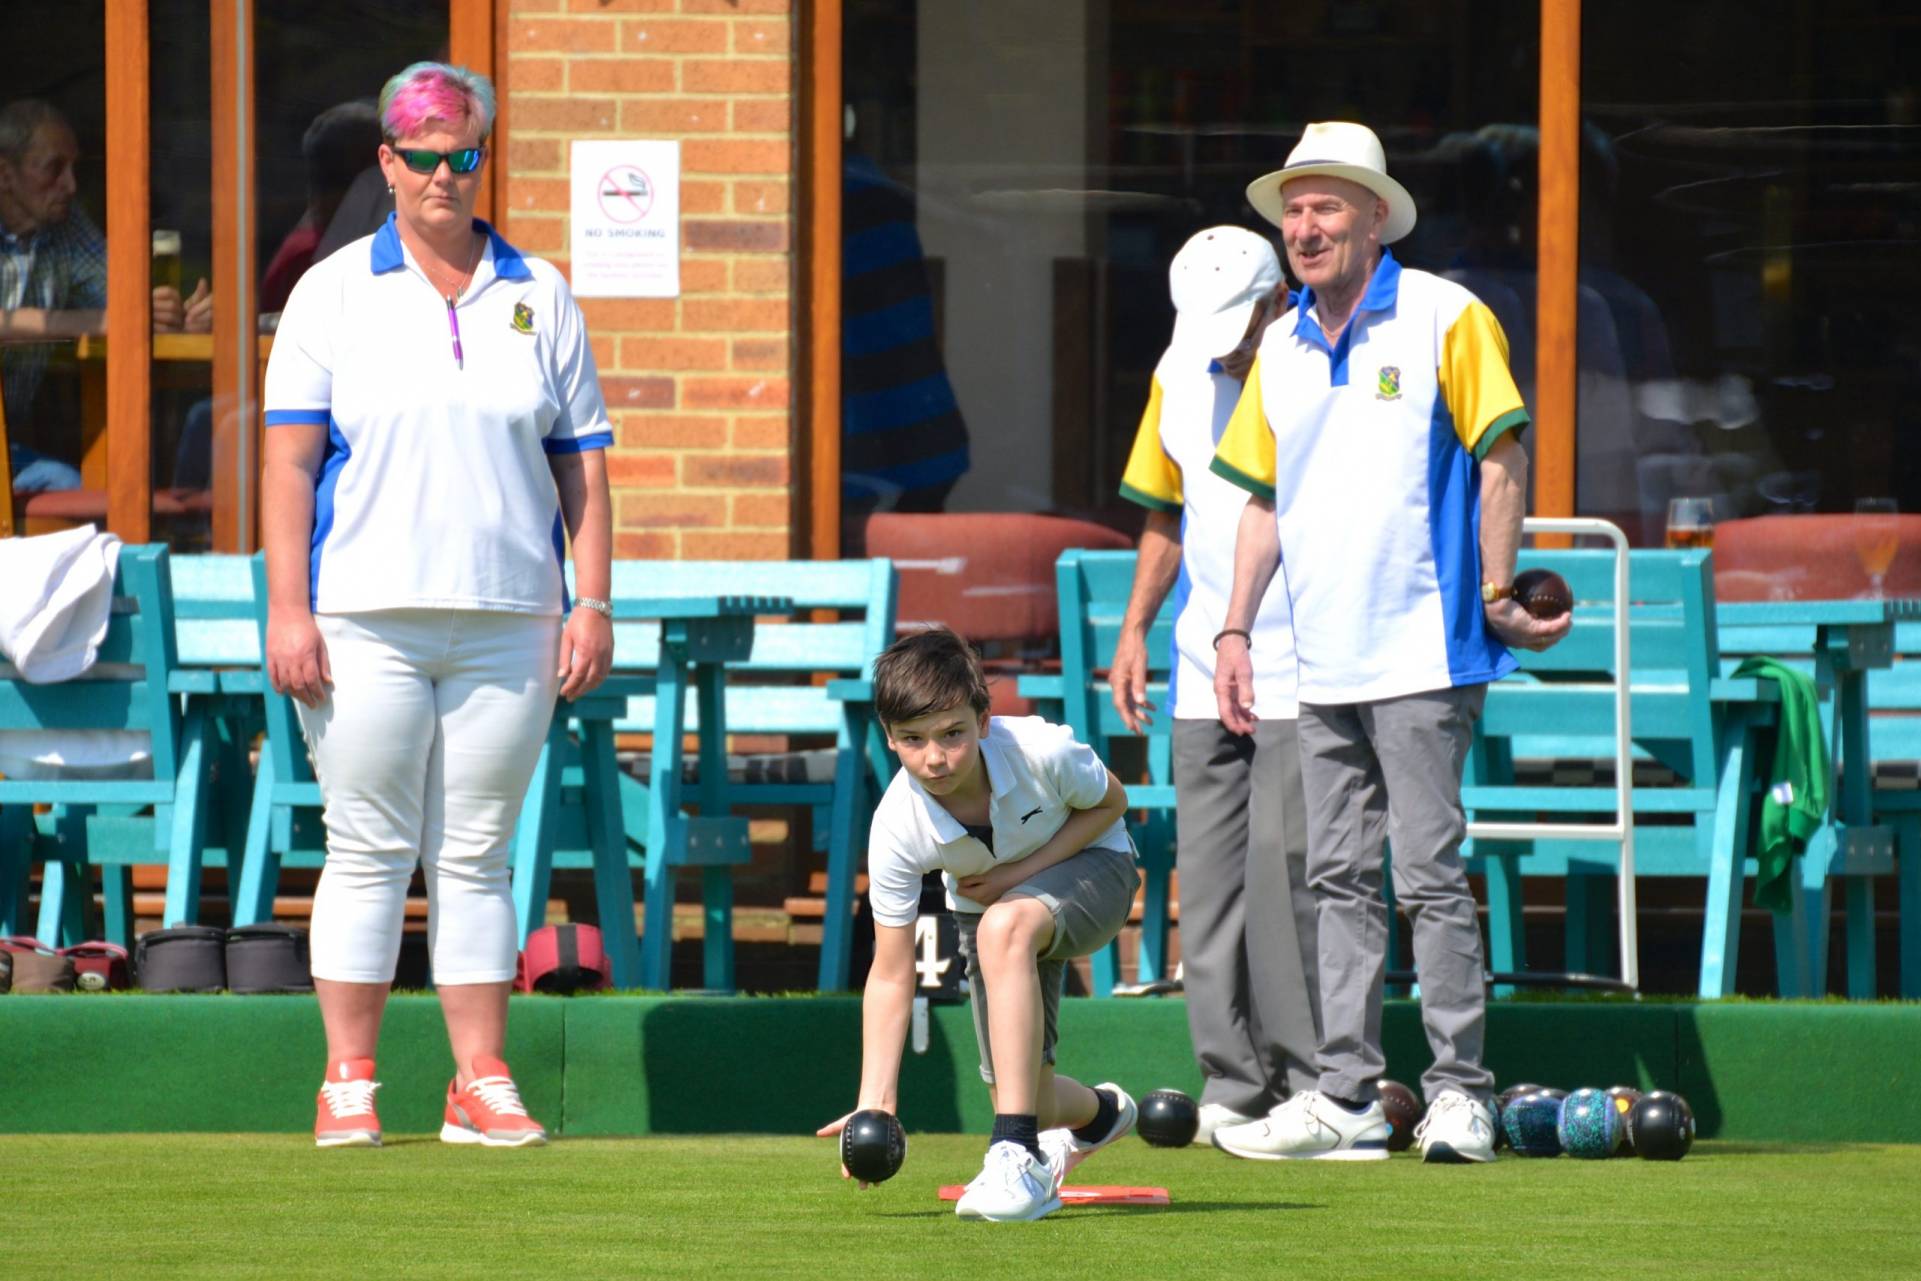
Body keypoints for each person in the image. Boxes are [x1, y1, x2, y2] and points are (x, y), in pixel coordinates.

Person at [261, 61, 615, 1151]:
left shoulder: (540, 290)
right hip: (361, 611)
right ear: (387, 163)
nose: (442, 176)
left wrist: (590, 601)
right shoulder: (330, 290)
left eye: (462, 155)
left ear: (482, 157)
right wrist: (288, 609)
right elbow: (286, 467)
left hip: (511, 615)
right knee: (366, 846)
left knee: (476, 854)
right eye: (420, 157)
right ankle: (349, 1081)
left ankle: (479, 1080)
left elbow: (584, 474)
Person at [1208, 122, 1569, 1164]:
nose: (1303, 227)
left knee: (1427, 875)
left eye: (1325, 207)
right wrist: (1234, 626)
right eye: (1292, 210)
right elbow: (1261, 502)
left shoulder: (1445, 315)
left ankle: (1460, 1091)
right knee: (1335, 881)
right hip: (1319, 658)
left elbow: (1502, 451)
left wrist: (1496, 586)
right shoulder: (1275, 343)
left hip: (1424, 648)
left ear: (1375, 216)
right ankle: (1350, 1096)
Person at [1109, 224, 1323, 1146]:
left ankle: (1314, 1085)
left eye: (1237, 322)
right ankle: (1231, 1084)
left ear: (1279, 300)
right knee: (1209, 886)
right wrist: (1133, 628)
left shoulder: (1321, 367)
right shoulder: (1175, 368)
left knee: (1293, 880)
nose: (1224, 343)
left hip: (1308, 661)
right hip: (1204, 662)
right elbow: (1165, 512)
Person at [816, 628, 1141, 1221]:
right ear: (888, 738)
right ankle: (1100, 1114)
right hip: (989, 914)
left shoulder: (1042, 749)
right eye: (912, 740)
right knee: (1026, 1095)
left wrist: (1017, 872)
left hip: (1098, 870)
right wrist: (876, 1102)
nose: (934, 758)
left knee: (1004, 927)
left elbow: (1112, 803)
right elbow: (891, 975)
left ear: (984, 721)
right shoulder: (895, 827)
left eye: (952, 735)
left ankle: (1015, 1153)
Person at [0, 98, 211, 492]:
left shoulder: (63, 225)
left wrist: (172, 318)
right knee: (73, 486)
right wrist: (115, 318)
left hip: (9, 447)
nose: (71, 184)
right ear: (4, 175)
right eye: (53, 168)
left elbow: (121, 299)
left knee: (98, 486)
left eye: (74, 167)